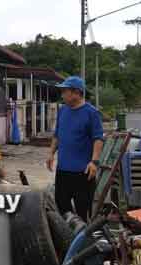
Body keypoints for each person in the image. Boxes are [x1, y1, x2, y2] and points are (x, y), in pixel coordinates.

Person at [46, 76, 104, 222]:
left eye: (65, 91)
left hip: (83, 173)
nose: (62, 94)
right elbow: (57, 134)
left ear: (77, 93)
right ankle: (69, 238)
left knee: (82, 212)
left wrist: (94, 162)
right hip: (63, 171)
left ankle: (81, 241)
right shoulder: (63, 111)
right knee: (62, 207)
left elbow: (98, 139)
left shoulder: (92, 113)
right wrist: (51, 153)